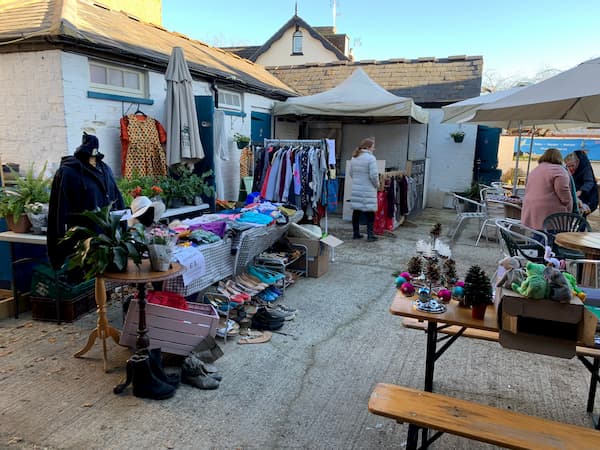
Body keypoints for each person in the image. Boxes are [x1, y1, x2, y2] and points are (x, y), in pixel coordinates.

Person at [47, 132, 125, 271]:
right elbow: (57, 210)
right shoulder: (68, 172)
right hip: (83, 244)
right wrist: (58, 248)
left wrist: (123, 231)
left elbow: (117, 200)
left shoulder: (106, 169)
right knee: (87, 284)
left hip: (109, 242)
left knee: (109, 284)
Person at [521, 148, 573, 231]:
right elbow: (563, 190)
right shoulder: (559, 170)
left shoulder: (536, 169)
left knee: (538, 234)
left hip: (530, 208)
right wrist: (569, 203)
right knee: (551, 237)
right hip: (550, 213)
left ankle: (537, 243)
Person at [349, 137, 379, 241]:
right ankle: (370, 235)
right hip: (368, 189)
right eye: (373, 146)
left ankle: (355, 233)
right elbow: (374, 175)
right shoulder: (371, 158)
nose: (374, 149)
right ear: (368, 147)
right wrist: (377, 185)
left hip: (356, 189)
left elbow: (351, 173)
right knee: (370, 212)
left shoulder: (354, 157)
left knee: (356, 211)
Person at [564, 150, 598, 215]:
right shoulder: (567, 169)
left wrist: (580, 191)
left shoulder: (586, 169)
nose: (570, 168)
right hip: (579, 199)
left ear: (577, 162)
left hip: (589, 199)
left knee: (580, 216)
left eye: (572, 165)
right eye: (568, 166)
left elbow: (589, 182)